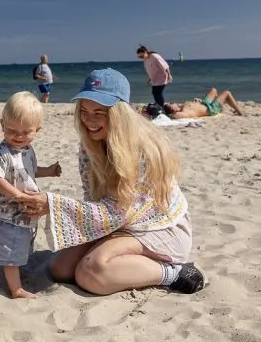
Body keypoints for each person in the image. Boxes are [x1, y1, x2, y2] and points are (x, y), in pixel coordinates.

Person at [16, 68, 205, 296]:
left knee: (91, 272)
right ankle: (119, 258)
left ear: (118, 113)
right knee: (60, 269)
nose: (89, 120)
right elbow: (92, 198)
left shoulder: (141, 150)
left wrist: (52, 205)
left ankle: (174, 273)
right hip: (120, 222)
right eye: (84, 111)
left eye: (99, 112)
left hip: (157, 227)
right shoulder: (91, 145)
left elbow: (122, 212)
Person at [0, 91, 62, 299]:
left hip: (25, 213)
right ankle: (16, 289)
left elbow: (30, 171)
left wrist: (49, 171)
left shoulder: (28, 150)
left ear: (37, 130)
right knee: (10, 250)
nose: (18, 137)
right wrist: (17, 195)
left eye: (25, 132)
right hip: (7, 214)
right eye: (12, 131)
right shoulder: (2, 153)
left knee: (21, 246)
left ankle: (15, 275)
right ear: (2, 125)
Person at [165, 88, 244, 118]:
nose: (172, 103)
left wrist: (197, 102)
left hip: (204, 103)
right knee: (227, 92)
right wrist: (172, 112)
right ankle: (240, 112)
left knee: (213, 90)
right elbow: (175, 115)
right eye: (171, 104)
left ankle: (220, 107)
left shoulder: (181, 107)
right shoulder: (183, 112)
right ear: (173, 109)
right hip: (210, 109)